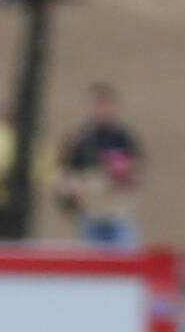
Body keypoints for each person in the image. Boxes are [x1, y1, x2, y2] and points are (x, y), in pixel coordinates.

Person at [53, 82, 143, 249]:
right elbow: (64, 173)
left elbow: (137, 172)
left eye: (105, 103)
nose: (101, 109)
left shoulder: (122, 137)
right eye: (97, 103)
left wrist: (125, 174)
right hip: (91, 215)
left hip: (118, 213)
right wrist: (73, 189)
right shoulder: (79, 139)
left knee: (124, 257)